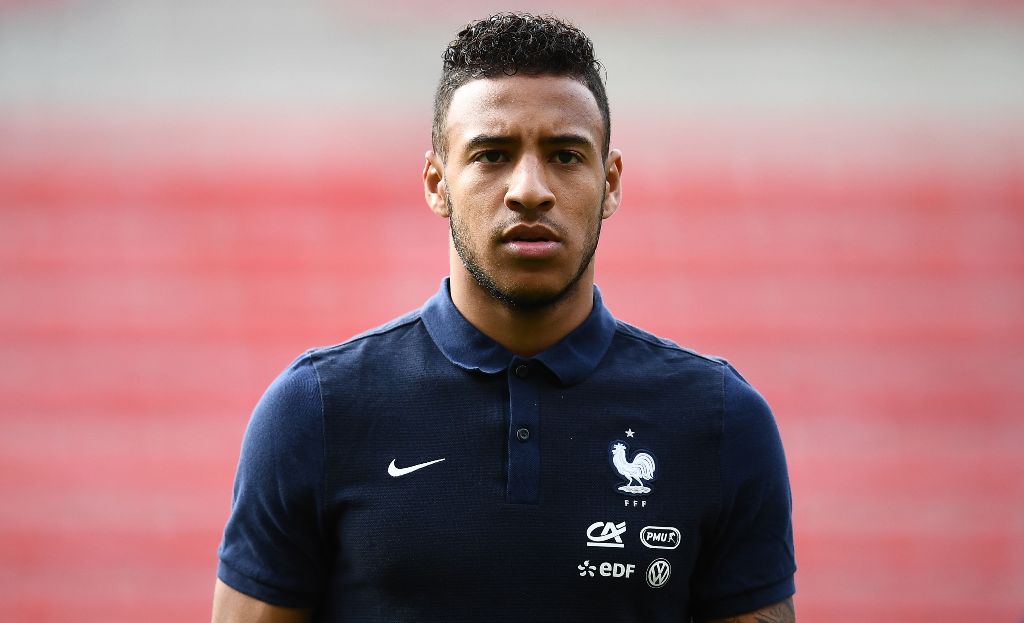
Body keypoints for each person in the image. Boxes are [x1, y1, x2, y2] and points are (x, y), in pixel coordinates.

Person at [212, 13, 795, 623]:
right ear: (438, 183)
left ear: (611, 182)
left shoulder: (720, 419)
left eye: (565, 156)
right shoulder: (317, 410)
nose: (529, 189)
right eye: (492, 155)